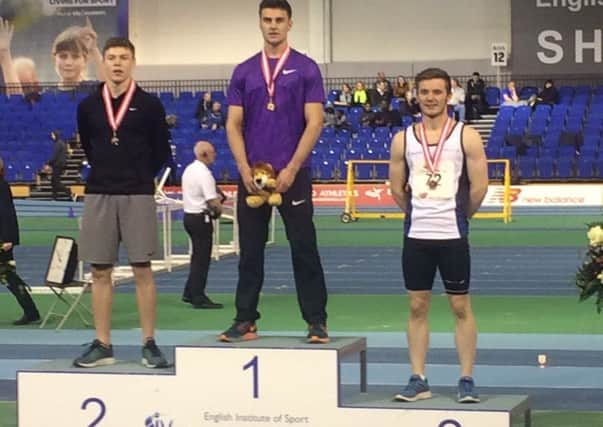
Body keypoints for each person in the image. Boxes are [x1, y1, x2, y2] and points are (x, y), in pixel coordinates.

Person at [220, 0, 329, 344]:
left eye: (279, 20)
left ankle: (316, 321)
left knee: (304, 248)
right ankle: (244, 319)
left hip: (293, 175)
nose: (273, 26)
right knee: (250, 251)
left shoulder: (306, 68)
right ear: (259, 23)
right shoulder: (244, 71)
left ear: (290, 24)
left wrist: (293, 167)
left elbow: (315, 121)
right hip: (252, 175)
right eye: (267, 20)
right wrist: (242, 167)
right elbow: (233, 124)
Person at [388, 68, 488, 403]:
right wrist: (417, 213)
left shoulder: (466, 136)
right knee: (417, 306)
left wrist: (461, 216)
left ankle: (466, 378)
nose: (431, 98)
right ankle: (418, 378)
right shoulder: (403, 139)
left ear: (449, 95)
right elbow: (396, 188)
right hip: (416, 235)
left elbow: (480, 186)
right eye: (425, 92)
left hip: (452, 234)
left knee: (460, 305)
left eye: (437, 92)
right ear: (416, 95)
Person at [74, 37, 172, 368]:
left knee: (142, 270)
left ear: (133, 62)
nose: (117, 63)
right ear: (103, 62)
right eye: (112, 57)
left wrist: (136, 175)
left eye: (124, 57)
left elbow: (162, 152)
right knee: (100, 271)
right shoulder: (87, 106)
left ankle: (149, 343)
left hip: (137, 194)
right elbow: (90, 146)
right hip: (100, 192)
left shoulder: (149, 105)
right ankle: (103, 344)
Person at [181, 141, 224, 309]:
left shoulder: (189, 170)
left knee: (197, 257)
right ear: (205, 154)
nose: (215, 155)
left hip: (189, 216)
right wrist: (219, 211)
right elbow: (212, 200)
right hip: (201, 218)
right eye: (212, 152)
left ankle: (190, 291)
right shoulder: (204, 174)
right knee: (202, 259)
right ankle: (198, 295)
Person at [0, 157, 41, 325]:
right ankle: (31, 312)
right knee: (10, 278)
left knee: (10, 278)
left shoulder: (1, 186)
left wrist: (8, 239)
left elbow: (7, 213)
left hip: (2, 241)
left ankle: (31, 311)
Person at [47, 130, 69, 200]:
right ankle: (54, 197)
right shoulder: (61, 143)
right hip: (59, 164)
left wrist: (48, 163)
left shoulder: (57, 144)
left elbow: (55, 156)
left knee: (55, 181)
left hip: (58, 165)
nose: (52, 136)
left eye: (52, 135)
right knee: (54, 181)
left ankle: (68, 191)